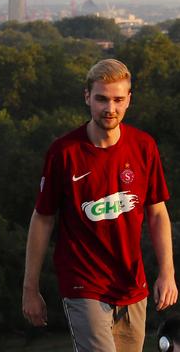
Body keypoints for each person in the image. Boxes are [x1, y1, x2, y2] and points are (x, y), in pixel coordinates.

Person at [22, 59, 177, 352]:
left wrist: (167, 273)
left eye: (118, 99)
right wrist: (30, 288)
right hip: (84, 282)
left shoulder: (144, 147)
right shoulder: (64, 153)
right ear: (87, 98)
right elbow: (42, 219)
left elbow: (157, 213)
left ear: (129, 99)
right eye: (102, 99)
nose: (110, 108)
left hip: (132, 284)